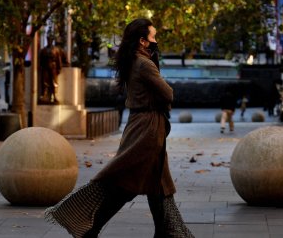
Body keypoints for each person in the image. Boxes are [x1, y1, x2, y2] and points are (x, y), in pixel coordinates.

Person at [45, 18, 194, 238]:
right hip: (148, 130)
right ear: (143, 41)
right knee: (128, 184)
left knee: (157, 182)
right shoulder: (144, 64)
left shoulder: (133, 60)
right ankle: (91, 229)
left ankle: (164, 231)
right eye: (153, 37)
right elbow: (168, 93)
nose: (156, 41)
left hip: (142, 125)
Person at [39, 33, 63, 104]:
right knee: (45, 81)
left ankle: (54, 95)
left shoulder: (56, 50)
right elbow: (41, 61)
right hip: (45, 67)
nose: (49, 40)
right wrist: (41, 67)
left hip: (53, 67)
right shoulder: (43, 50)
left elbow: (59, 60)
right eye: (48, 39)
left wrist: (59, 68)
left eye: (50, 39)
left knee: (54, 82)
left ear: (52, 40)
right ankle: (44, 95)